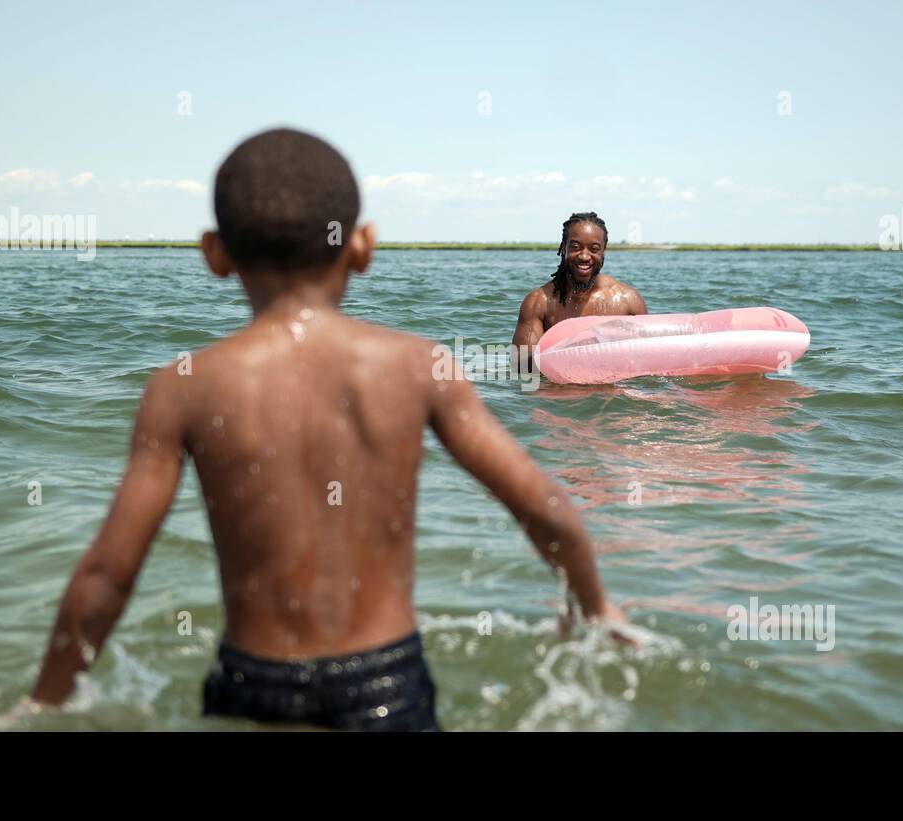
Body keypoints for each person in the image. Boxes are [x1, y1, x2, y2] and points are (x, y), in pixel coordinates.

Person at [31, 128, 629, 731]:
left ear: (213, 253)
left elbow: (107, 575)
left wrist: (38, 706)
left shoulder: (181, 385)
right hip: (385, 682)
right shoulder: (418, 367)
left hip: (251, 682)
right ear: (363, 247)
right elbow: (547, 507)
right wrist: (595, 603)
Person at [511, 212, 648, 371]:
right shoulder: (538, 303)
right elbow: (523, 369)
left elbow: (645, 365)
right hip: (559, 389)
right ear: (563, 247)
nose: (584, 256)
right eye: (575, 247)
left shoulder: (628, 301)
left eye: (594, 249)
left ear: (604, 251)